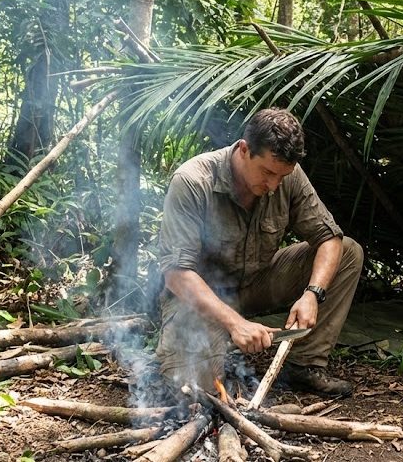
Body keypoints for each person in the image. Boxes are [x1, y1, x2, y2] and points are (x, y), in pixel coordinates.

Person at [155, 108, 362, 398]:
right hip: (200, 299)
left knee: (349, 253)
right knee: (198, 390)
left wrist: (312, 294)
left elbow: (329, 238)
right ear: (244, 150)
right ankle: (213, 347)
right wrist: (235, 323)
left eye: (282, 176)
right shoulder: (193, 181)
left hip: (257, 282)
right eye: (267, 173)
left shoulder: (287, 175)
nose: (274, 185)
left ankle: (304, 365)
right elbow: (177, 275)